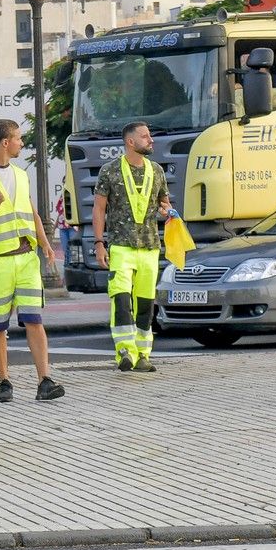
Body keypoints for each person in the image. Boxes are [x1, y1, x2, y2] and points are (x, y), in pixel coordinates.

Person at [0, 119, 66, 403]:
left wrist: (44, 242)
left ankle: (45, 380)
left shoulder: (20, 174)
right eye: (18, 138)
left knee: (34, 320)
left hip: (26, 260)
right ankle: (4, 381)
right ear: (5, 142)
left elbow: (30, 211)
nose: (22, 142)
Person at [93, 121, 172, 372]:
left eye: (149, 135)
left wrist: (167, 211)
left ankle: (144, 354)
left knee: (146, 302)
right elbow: (99, 208)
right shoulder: (110, 170)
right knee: (121, 298)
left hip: (150, 246)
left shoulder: (156, 170)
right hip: (121, 246)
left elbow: (164, 203)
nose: (151, 140)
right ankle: (125, 351)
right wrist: (99, 244)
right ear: (130, 142)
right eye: (145, 136)